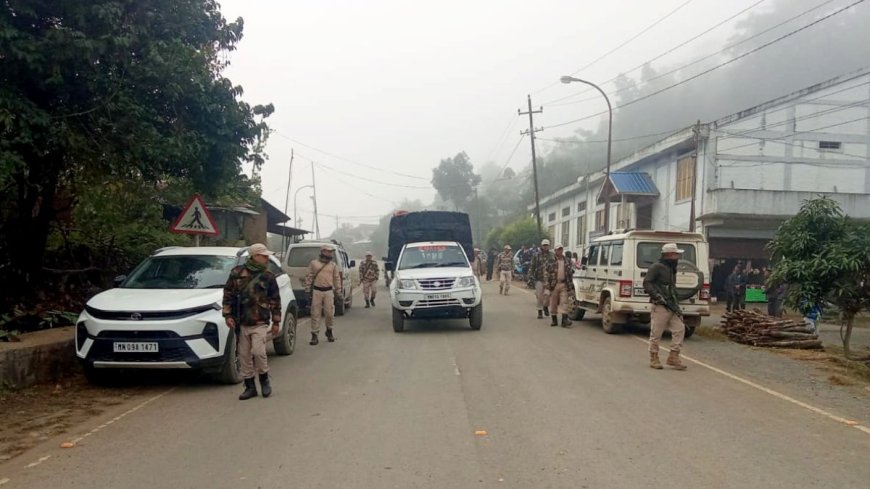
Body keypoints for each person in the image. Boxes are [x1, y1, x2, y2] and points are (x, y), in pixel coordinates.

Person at [222, 243, 281, 400]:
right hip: (241, 321)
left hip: (260, 321)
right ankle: (250, 387)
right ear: (254, 256)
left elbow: (275, 300)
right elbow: (227, 294)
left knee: (259, 352)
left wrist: (276, 322)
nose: (267, 258)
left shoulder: (268, 276)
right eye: (264, 255)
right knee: (244, 356)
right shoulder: (237, 273)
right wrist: (228, 316)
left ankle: (264, 380)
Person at [643, 243, 688, 370]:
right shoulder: (656, 267)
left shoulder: (672, 268)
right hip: (660, 305)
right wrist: (657, 296)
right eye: (675, 254)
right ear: (668, 255)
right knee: (656, 333)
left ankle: (673, 356)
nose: (677, 257)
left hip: (672, 304)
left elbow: (672, 287)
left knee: (680, 329)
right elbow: (647, 283)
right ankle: (654, 357)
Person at [305, 244, 342, 345]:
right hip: (317, 291)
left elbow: (336, 278)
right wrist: (307, 290)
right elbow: (309, 276)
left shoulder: (333, 265)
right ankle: (314, 335)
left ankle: (329, 331)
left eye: (331, 252)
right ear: (322, 252)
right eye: (328, 251)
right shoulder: (314, 263)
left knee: (329, 313)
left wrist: (338, 291)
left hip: (329, 291)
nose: (330, 253)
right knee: (315, 313)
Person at [544, 244, 575, 328]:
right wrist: (547, 286)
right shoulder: (550, 261)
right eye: (558, 250)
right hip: (554, 285)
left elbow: (570, 274)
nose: (560, 251)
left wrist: (571, 287)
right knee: (553, 303)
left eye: (561, 249)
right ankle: (554, 320)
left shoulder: (567, 261)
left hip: (564, 284)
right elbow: (546, 274)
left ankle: (564, 320)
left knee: (564, 302)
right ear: (555, 251)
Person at [529, 239, 554, 319]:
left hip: (549, 279)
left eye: (547, 245)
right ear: (541, 246)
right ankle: (539, 311)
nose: (545, 247)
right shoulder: (537, 255)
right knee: (540, 296)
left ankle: (545, 306)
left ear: (549, 246)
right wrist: (530, 276)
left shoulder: (552, 255)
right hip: (539, 278)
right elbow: (532, 266)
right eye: (544, 245)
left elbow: (555, 266)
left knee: (547, 295)